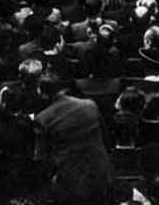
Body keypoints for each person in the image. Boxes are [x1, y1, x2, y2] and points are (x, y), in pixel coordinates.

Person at [34, 77, 114, 205]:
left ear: (43, 94)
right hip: (102, 176)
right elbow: (107, 142)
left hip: (70, 186)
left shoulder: (42, 119)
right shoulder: (90, 105)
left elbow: (41, 161)